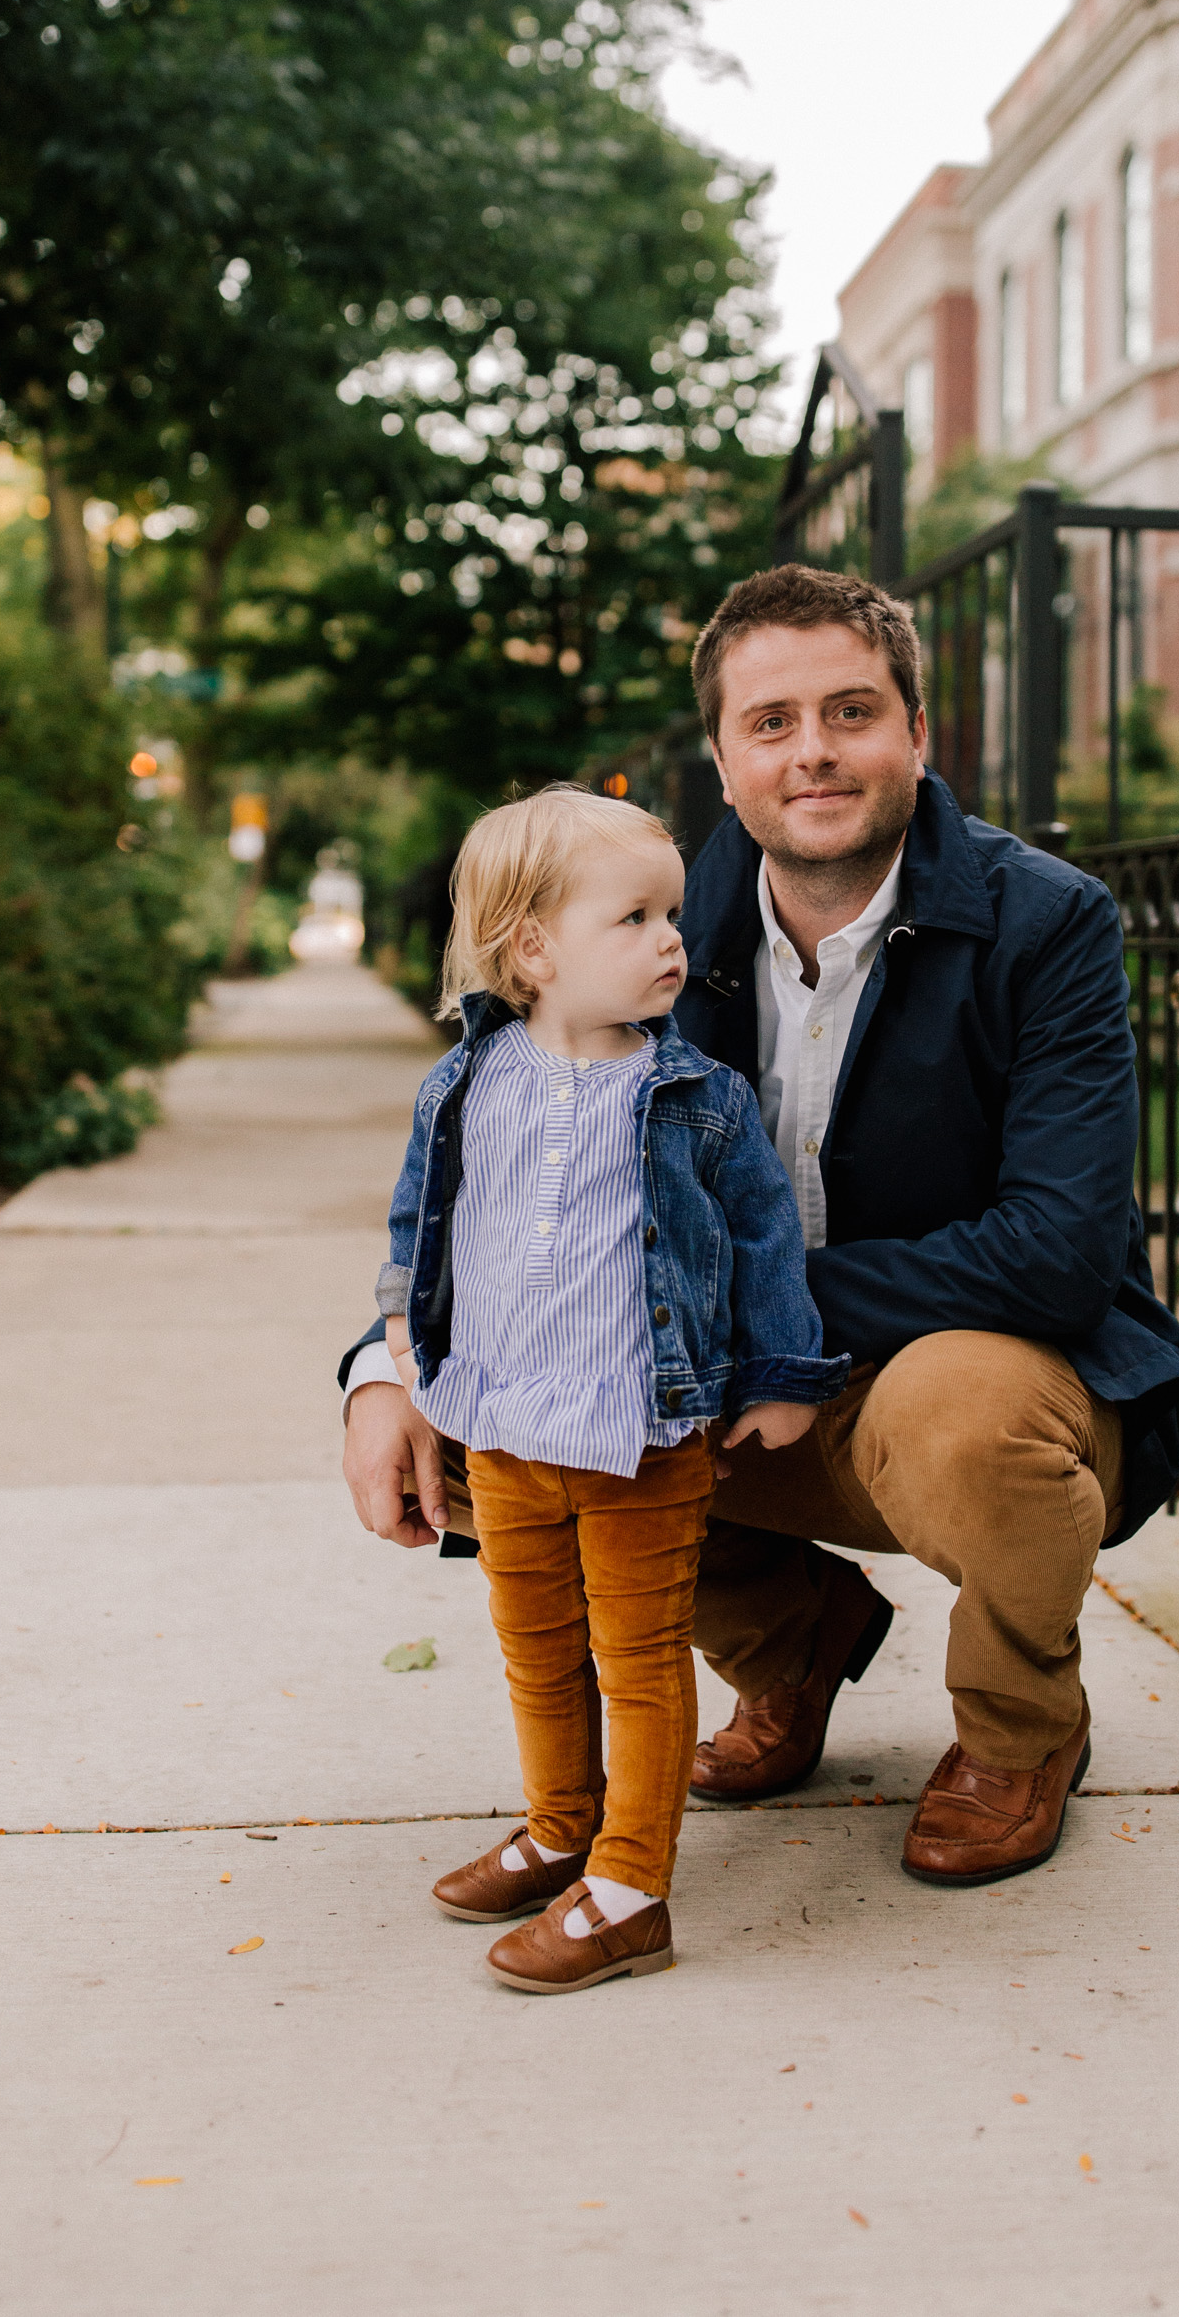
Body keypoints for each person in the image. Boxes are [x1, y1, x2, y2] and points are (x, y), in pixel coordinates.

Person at [344, 564, 1179, 1890]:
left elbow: (1057, 1251)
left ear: (918, 733)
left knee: (966, 1417)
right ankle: (790, 1647)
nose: (813, 752)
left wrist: (760, 1309)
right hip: (744, 1388)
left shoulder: (1047, 923)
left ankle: (1023, 1731)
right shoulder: (646, 922)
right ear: (725, 759)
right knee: (494, 1424)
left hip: (975, 1371)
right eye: (773, 722)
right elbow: (510, 1179)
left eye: (852, 712)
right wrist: (387, 1370)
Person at [364, 783, 846, 1994]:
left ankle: (631, 1885)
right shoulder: (464, 1086)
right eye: (633, 918)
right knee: (535, 1647)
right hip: (504, 1424)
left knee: (637, 1659)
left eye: (672, 914)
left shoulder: (694, 1098)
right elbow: (423, 1218)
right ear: (533, 948)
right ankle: (561, 1827)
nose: (673, 940)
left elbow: (762, 1237)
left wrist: (785, 1371)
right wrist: (400, 1337)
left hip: (639, 1433)